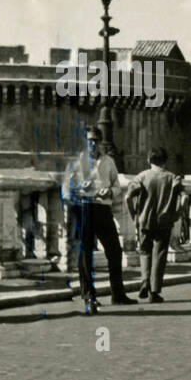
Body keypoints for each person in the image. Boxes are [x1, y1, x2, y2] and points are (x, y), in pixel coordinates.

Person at [62, 126, 134, 314]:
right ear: (84, 142)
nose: (93, 143)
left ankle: (118, 294)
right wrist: (79, 188)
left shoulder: (108, 161)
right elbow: (66, 190)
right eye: (89, 140)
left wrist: (109, 191)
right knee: (85, 253)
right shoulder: (76, 162)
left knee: (114, 250)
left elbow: (117, 186)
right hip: (83, 207)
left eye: (96, 140)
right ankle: (89, 297)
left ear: (101, 142)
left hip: (102, 208)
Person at [125, 146, 185, 303]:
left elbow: (127, 198)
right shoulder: (173, 178)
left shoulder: (142, 177)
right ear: (165, 161)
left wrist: (134, 216)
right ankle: (154, 291)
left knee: (144, 251)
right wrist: (177, 214)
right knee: (159, 254)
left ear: (148, 160)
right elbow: (184, 199)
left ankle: (144, 280)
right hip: (164, 222)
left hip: (144, 220)